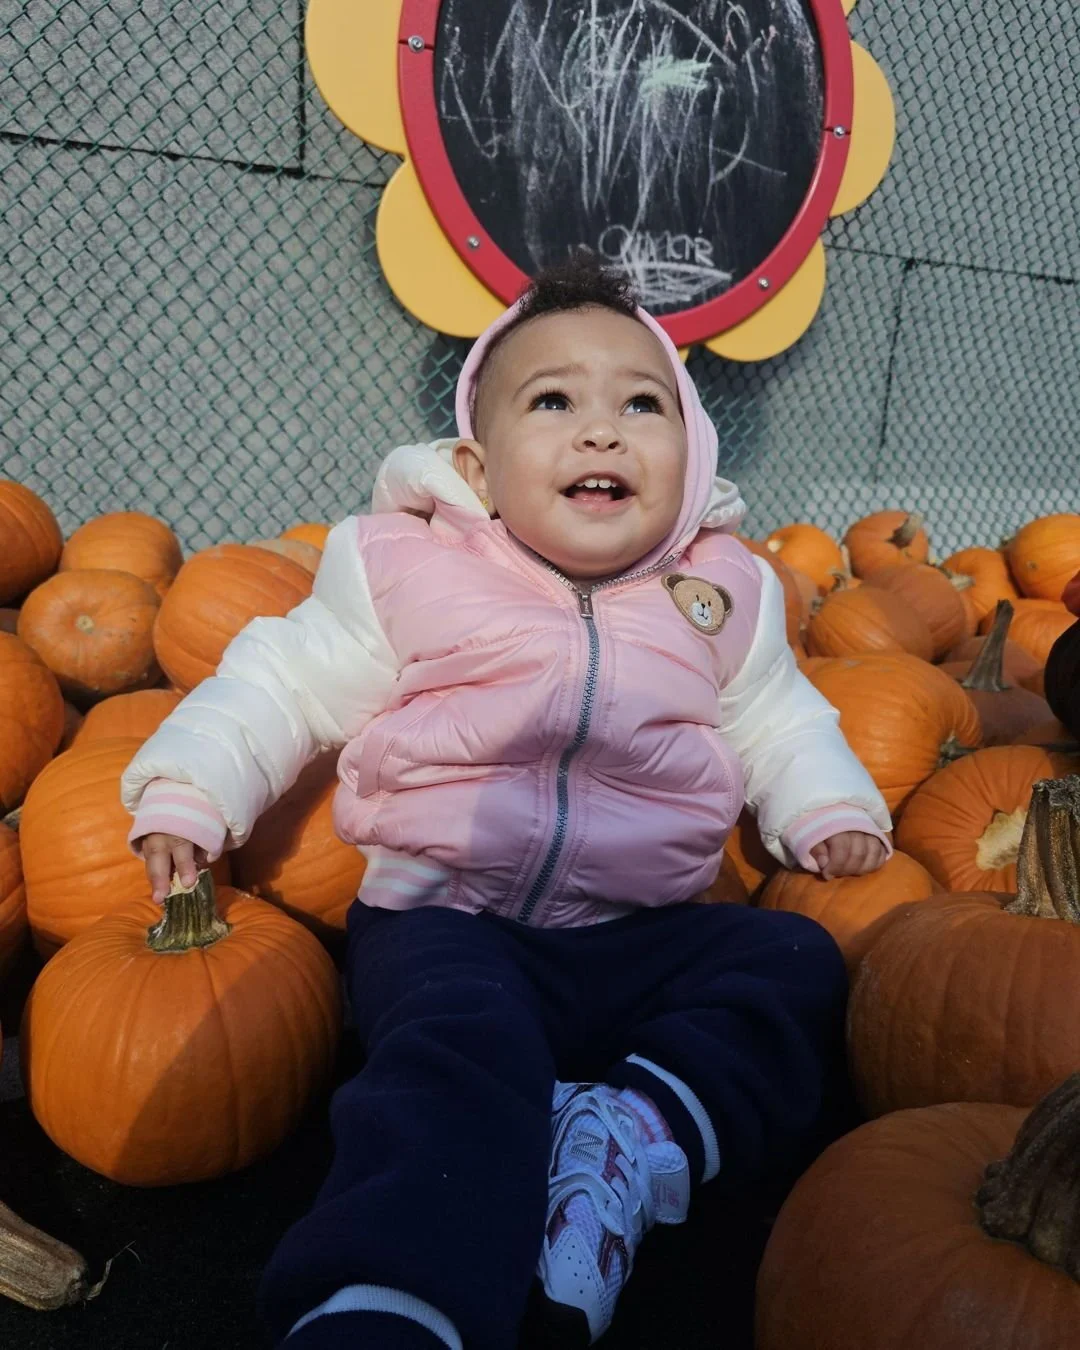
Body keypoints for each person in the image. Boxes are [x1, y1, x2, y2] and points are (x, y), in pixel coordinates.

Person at [122, 253, 891, 1350]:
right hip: (449, 918)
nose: (602, 431)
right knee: (452, 1062)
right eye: (554, 402)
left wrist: (825, 809)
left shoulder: (723, 593)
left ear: (693, 451)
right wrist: (192, 791)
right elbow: (283, 682)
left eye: (643, 405)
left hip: (641, 931)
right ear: (478, 469)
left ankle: (631, 1133)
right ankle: (390, 1302)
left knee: (793, 963)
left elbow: (777, 716)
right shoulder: (409, 567)